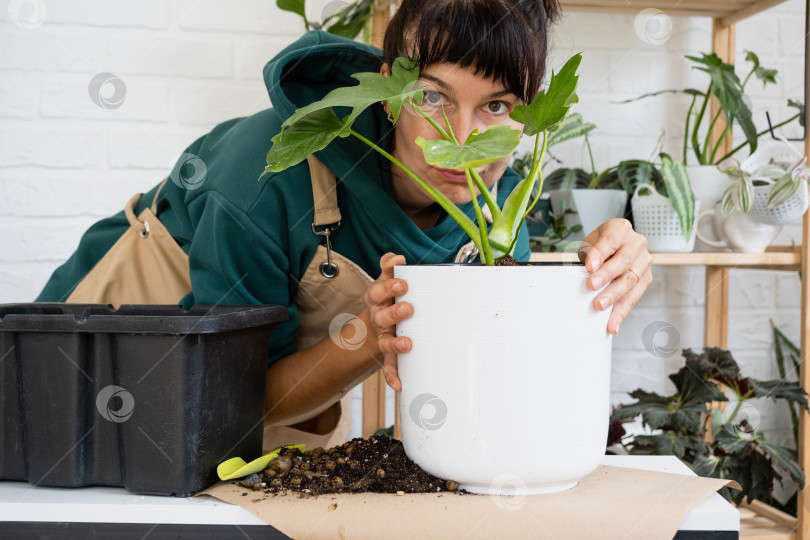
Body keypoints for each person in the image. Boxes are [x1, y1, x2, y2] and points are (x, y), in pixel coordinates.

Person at [36, 0, 652, 449]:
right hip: (93, 367)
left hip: (272, 420)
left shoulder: (501, 209)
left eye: (496, 106)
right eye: (432, 98)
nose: (461, 141)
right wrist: (367, 337)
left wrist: (586, 276)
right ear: (389, 91)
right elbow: (223, 402)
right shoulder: (263, 177)